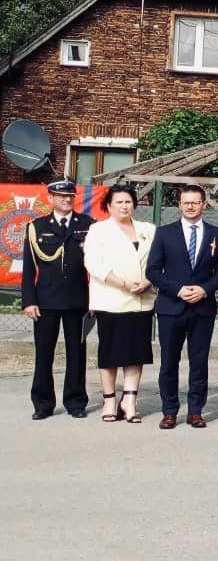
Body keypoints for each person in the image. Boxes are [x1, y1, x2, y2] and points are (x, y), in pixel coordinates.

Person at [147, 184, 218, 429]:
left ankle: (195, 411)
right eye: (186, 202)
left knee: (199, 362)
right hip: (171, 307)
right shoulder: (164, 233)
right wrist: (178, 290)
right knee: (169, 362)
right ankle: (170, 411)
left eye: (195, 202)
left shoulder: (217, 234)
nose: (190, 206)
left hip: (202, 308)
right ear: (179, 205)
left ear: (204, 204)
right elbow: (153, 271)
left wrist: (204, 289)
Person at [83, 185, 155, 422]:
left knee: (136, 353)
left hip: (142, 299)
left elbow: (157, 261)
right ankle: (109, 401)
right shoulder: (98, 230)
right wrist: (123, 283)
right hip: (111, 300)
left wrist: (148, 281)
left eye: (128, 201)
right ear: (109, 206)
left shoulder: (148, 229)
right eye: (119, 202)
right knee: (111, 353)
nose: (124, 206)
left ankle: (130, 401)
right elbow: (93, 263)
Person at [21, 179, 91, 420]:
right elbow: (29, 268)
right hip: (46, 301)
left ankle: (75, 402)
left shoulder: (88, 225)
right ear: (50, 198)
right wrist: (29, 301)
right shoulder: (37, 227)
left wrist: (94, 301)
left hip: (78, 301)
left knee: (77, 354)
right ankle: (43, 403)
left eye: (70, 196)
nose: (66, 199)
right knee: (44, 354)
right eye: (61, 196)